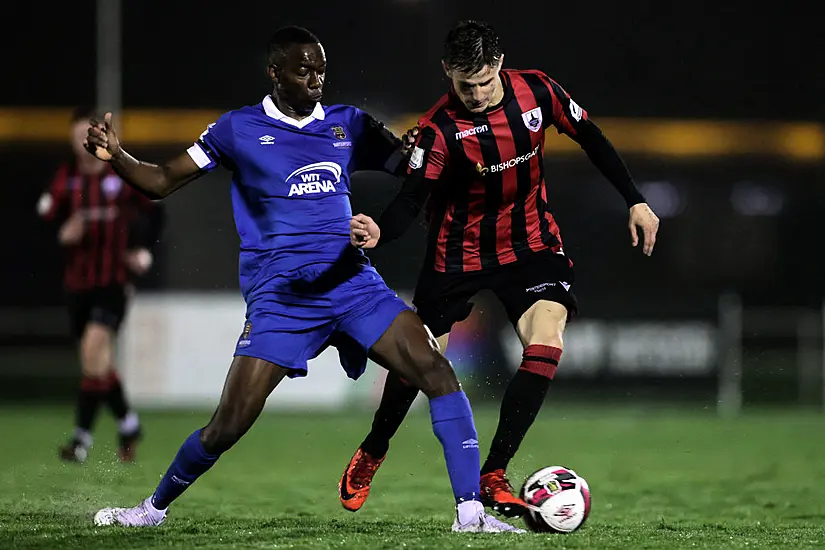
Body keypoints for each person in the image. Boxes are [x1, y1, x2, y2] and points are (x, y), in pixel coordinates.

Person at [87, 26, 522, 534]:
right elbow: (161, 181)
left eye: (321, 69)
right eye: (303, 70)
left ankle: (470, 515)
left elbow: (411, 170)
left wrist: (419, 150)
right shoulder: (237, 130)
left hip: (353, 284)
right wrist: (118, 157)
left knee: (437, 372)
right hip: (283, 297)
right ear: (274, 73)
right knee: (228, 425)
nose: (316, 80)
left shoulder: (348, 124)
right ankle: (151, 510)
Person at [339, 20, 661, 517]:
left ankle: (494, 474)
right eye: (464, 84)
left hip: (531, 245)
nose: (475, 93)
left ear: (499, 64)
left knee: (547, 340)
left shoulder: (537, 91)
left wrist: (635, 201)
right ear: (447, 71)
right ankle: (375, 448)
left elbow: (591, 137)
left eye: (485, 81)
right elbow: (411, 199)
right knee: (419, 361)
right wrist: (383, 230)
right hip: (457, 256)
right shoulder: (438, 129)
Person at [37, 106, 163, 464]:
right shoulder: (64, 180)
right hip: (77, 284)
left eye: (87, 133)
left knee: (94, 351)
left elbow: (155, 209)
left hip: (114, 282)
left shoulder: (119, 173)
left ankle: (81, 440)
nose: (82, 141)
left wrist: (141, 248)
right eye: (76, 134)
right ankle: (128, 423)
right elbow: (42, 226)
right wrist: (61, 234)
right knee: (97, 365)